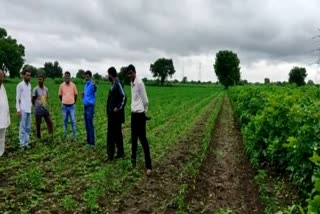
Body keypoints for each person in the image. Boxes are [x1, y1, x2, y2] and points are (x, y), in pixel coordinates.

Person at [127, 64, 152, 176]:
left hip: (140, 115)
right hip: (133, 114)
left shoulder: (140, 83)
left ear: (135, 73)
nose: (129, 75)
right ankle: (133, 162)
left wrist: (144, 111)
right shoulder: (131, 83)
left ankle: (148, 166)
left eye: (131, 73)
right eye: (128, 74)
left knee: (143, 140)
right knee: (133, 139)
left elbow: (145, 99)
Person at [106, 67, 125, 161]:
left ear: (111, 74)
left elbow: (123, 97)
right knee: (117, 134)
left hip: (115, 115)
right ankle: (119, 153)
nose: (107, 76)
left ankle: (111, 155)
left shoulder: (118, 83)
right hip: (111, 114)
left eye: (108, 74)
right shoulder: (113, 84)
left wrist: (118, 108)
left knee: (112, 134)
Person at [32, 74, 53, 140]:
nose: (39, 81)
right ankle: (39, 138)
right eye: (38, 79)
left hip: (45, 109)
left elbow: (46, 99)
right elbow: (33, 99)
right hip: (38, 110)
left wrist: (47, 107)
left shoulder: (46, 89)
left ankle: (51, 135)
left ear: (43, 80)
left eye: (41, 79)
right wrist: (36, 106)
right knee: (38, 125)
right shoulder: (35, 89)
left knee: (50, 123)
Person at [59, 71, 78, 141]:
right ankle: (65, 136)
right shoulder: (61, 85)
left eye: (68, 76)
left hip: (72, 106)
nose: (67, 77)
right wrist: (63, 101)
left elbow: (76, 95)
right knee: (65, 122)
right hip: (64, 107)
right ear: (64, 77)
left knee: (73, 121)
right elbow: (60, 95)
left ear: (70, 77)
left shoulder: (73, 85)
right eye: (65, 76)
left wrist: (74, 102)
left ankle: (75, 137)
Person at [16, 68, 32, 149]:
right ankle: (22, 144)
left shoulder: (29, 85)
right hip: (23, 109)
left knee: (28, 128)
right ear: (23, 75)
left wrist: (31, 106)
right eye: (27, 75)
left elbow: (29, 97)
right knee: (22, 128)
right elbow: (17, 98)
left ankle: (26, 143)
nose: (29, 77)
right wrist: (18, 110)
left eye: (29, 75)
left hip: (28, 109)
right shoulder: (20, 85)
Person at [82, 70, 96, 147]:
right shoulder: (85, 85)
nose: (86, 77)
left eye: (87, 76)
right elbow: (86, 94)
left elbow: (95, 88)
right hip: (85, 106)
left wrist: (94, 85)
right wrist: (83, 95)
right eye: (85, 76)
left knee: (90, 124)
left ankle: (92, 142)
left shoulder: (92, 84)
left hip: (90, 107)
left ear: (90, 76)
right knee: (86, 125)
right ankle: (88, 142)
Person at [0, 69, 10, 156]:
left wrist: (7, 116)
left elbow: (5, 103)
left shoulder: (3, 88)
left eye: (2, 76)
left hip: (3, 116)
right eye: (1, 76)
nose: (2, 77)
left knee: (2, 137)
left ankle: (1, 152)